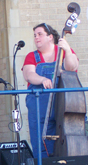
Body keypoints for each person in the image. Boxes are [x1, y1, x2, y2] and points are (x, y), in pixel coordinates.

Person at [22, 23, 79, 158]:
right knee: (40, 143)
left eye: (40, 34)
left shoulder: (64, 52)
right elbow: (28, 74)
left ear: (50, 37)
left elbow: (72, 68)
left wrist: (68, 50)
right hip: (40, 108)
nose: (36, 38)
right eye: (35, 35)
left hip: (64, 105)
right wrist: (42, 80)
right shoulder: (31, 56)